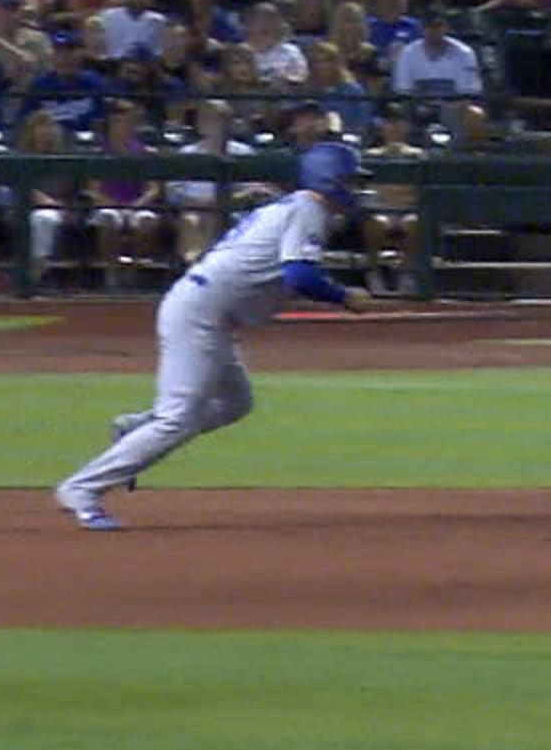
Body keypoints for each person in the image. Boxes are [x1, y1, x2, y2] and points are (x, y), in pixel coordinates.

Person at [52, 143, 373, 530]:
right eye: (350, 180)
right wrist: (344, 297)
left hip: (207, 311)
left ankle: (136, 429)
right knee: (177, 419)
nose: (355, 188)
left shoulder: (294, 207)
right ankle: (83, 489)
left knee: (236, 402)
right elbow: (300, 275)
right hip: (199, 312)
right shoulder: (309, 209)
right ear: (329, 178)